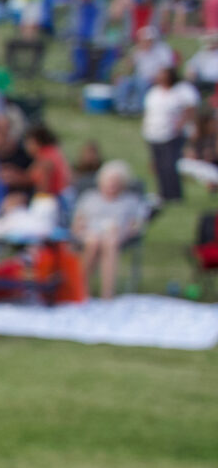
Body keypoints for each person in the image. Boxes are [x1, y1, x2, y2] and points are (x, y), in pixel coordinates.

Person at [70, 159, 150, 299]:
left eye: (116, 181)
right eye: (109, 180)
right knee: (93, 242)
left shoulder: (130, 201)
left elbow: (138, 223)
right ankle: (81, 288)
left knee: (109, 242)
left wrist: (129, 228)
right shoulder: (90, 198)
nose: (112, 184)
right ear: (101, 181)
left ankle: (107, 293)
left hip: (117, 234)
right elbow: (77, 222)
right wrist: (82, 228)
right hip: (90, 233)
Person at [141, 60, 197, 203]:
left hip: (170, 135)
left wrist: (180, 125)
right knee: (158, 166)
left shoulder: (178, 93)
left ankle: (175, 195)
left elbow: (189, 110)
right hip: (153, 133)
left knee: (170, 166)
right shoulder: (153, 92)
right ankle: (163, 193)